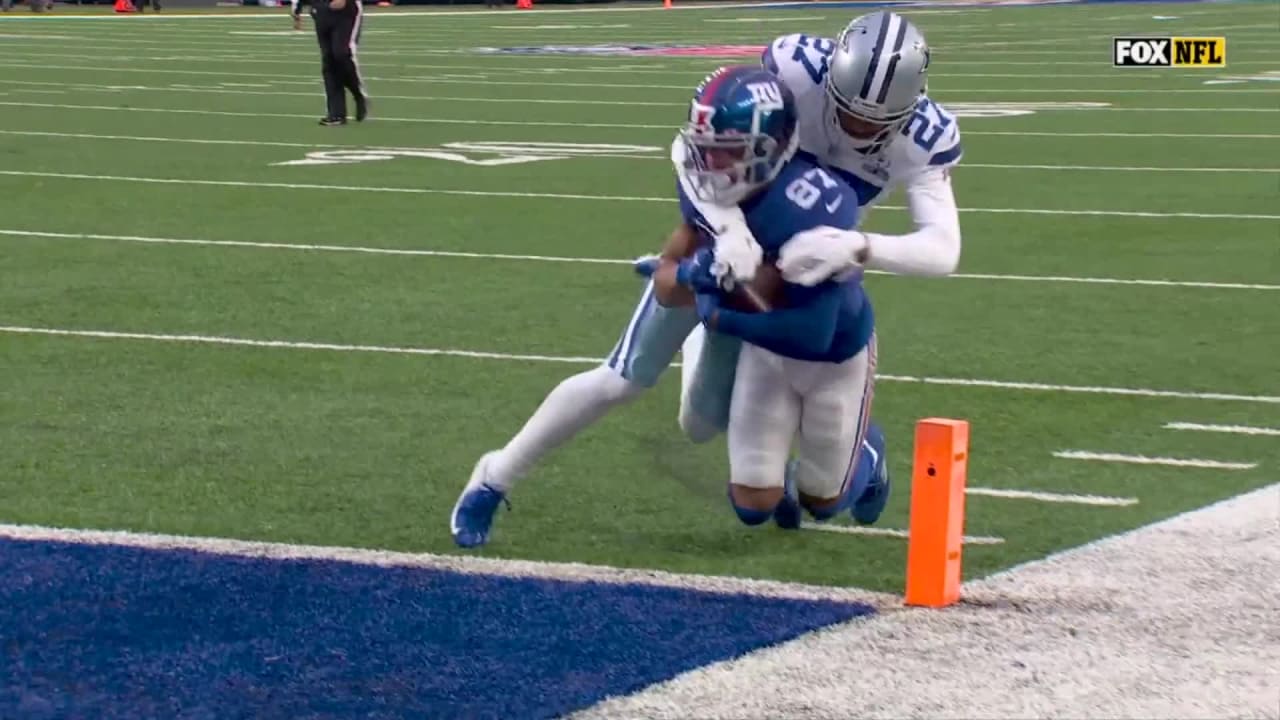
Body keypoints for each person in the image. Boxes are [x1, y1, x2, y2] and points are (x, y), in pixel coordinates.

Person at [450, 10, 960, 547]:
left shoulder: (920, 140)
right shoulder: (794, 68)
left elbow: (943, 249)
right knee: (625, 380)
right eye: (845, 111)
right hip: (722, 239)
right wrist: (727, 229)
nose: (855, 128)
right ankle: (494, 475)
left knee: (723, 419)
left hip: (798, 266)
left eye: (873, 123)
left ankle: (845, 455)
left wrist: (860, 246)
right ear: (828, 76)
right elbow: (689, 146)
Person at [293, 0, 369, 126]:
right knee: (329, 61)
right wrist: (297, 10)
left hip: (346, 12)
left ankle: (358, 93)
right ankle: (336, 114)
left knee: (341, 54)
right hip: (321, 10)